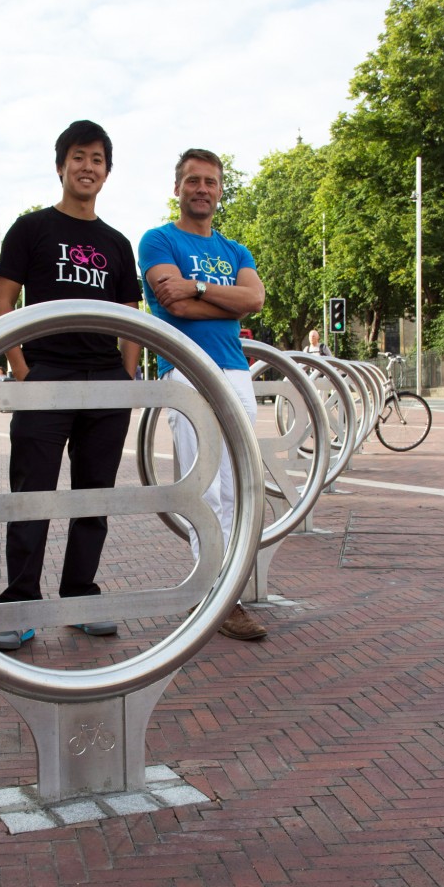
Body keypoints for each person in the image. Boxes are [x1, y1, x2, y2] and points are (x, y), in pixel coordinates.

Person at [0, 120, 141, 652]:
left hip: (105, 381)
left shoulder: (117, 244)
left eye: (98, 159)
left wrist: (126, 379)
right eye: (79, 157)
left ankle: (80, 597)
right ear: (61, 165)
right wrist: (24, 372)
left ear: (107, 172)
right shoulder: (30, 230)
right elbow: (4, 307)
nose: (88, 167)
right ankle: (20, 605)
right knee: (31, 495)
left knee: (93, 498)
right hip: (45, 375)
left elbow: (131, 321)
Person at [138, 148, 268, 641]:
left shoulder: (236, 250)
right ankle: (214, 593)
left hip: (235, 373)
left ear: (219, 189)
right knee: (204, 488)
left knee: (238, 487)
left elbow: (253, 299)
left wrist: (194, 288)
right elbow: (171, 304)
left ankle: (228, 583)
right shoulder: (158, 239)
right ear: (178, 188)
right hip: (187, 371)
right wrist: (219, 302)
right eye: (193, 180)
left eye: (210, 181)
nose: (202, 188)